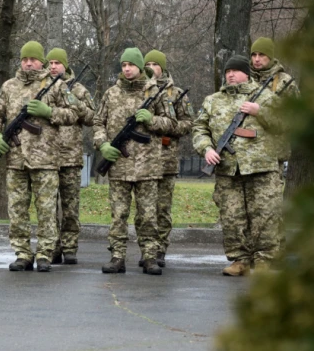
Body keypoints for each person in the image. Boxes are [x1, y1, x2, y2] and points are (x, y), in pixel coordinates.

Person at [0, 41, 79, 272]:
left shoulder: (56, 85)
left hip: (46, 159)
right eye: (24, 59)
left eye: (33, 59)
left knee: (46, 210)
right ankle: (22, 253)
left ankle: (45, 254)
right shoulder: (9, 86)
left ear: (42, 62)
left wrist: (50, 113)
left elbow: (75, 114)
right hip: (16, 160)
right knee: (17, 209)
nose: (28, 63)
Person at [192, 55, 283, 275]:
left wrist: (259, 111)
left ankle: (265, 262)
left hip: (262, 167)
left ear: (246, 73)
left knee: (265, 215)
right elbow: (199, 128)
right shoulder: (213, 100)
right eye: (227, 71)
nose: (230, 74)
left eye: (235, 70)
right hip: (227, 168)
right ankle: (239, 261)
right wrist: (207, 148)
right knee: (232, 216)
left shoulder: (267, 97)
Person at [93, 47, 176, 275]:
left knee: (147, 215)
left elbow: (172, 123)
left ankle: (149, 257)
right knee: (118, 215)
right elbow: (98, 122)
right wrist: (103, 144)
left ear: (140, 67)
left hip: (148, 166)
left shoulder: (155, 93)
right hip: (119, 165)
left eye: (131, 65)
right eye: (123, 65)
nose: (127, 69)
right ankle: (117, 256)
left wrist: (152, 120)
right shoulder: (111, 93)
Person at [142, 50, 194, 268]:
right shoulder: (140, 90)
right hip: (142, 159)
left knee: (162, 209)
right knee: (145, 210)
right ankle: (147, 250)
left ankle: (160, 248)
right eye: (148, 64)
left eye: (156, 64)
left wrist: (162, 126)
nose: (152, 68)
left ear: (162, 68)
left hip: (166, 159)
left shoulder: (177, 93)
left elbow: (188, 124)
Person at [45, 48, 95, 265]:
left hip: (70, 156)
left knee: (70, 206)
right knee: (48, 206)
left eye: (57, 63)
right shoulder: (43, 88)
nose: (53, 66)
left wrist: (74, 100)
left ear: (65, 65)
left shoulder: (79, 89)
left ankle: (70, 246)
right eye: (50, 63)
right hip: (46, 156)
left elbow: (93, 117)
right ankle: (52, 246)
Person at [249, 37, 299, 254]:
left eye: (262, 55)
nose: (257, 59)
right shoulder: (246, 80)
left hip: (272, 153)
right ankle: (255, 251)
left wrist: (261, 112)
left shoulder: (285, 82)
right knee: (250, 206)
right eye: (254, 55)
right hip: (247, 152)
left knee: (271, 205)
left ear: (271, 57)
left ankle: (276, 249)